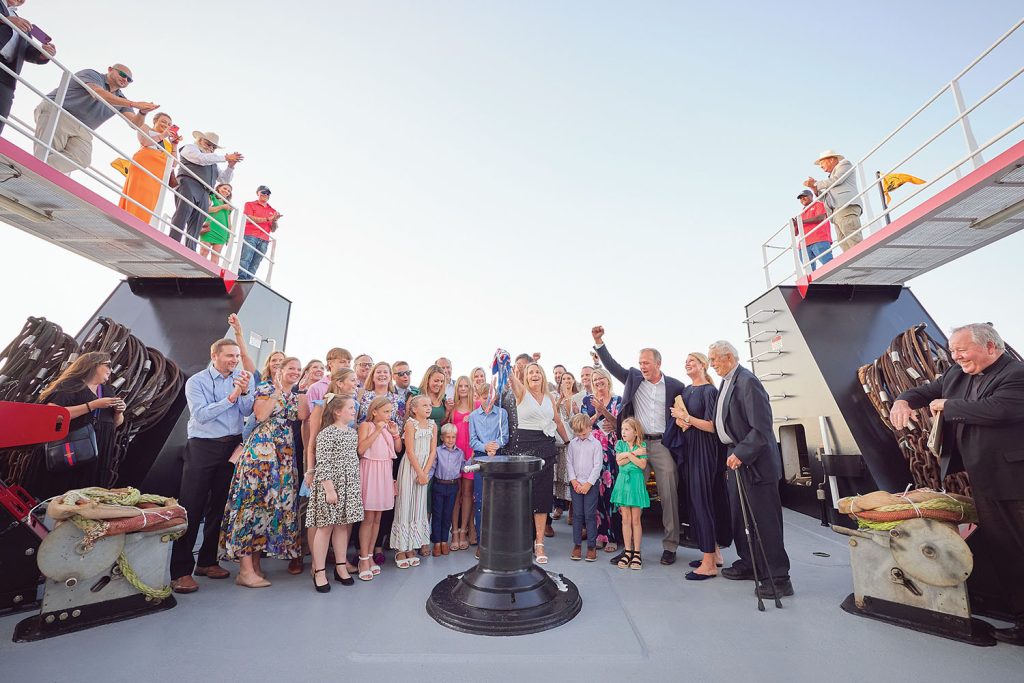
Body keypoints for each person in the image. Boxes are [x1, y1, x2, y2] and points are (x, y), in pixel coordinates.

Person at [890, 323, 1024, 644]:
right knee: (1004, 548)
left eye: (962, 350)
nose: (956, 356)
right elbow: (926, 390)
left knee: (1019, 547)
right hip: (984, 478)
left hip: (1015, 481)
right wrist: (903, 401)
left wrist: (949, 406)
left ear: (991, 347)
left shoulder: (1015, 374)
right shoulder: (956, 374)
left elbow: (998, 410)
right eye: (952, 351)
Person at [592, 325, 685, 566]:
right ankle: (632, 550)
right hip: (637, 445)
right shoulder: (633, 378)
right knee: (630, 497)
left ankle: (670, 545)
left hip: (662, 444)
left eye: (646, 363)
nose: (642, 366)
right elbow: (612, 366)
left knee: (668, 495)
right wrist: (599, 342)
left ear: (658, 363)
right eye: (640, 362)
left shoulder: (675, 386)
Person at [709, 340, 793, 599]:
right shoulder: (727, 382)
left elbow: (762, 428)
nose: (711, 365)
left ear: (729, 358)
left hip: (753, 463)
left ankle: (779, 578)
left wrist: (741, 454)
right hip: (735, 458)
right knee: (740, 517)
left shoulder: (747, 381)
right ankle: (750, 564)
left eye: (714, 360)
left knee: (764, 521)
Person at [170, 338, 254, 594]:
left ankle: (207, 562)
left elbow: (248, 411)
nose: (235, 360)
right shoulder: (197, 382)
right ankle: (180, 572)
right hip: (203, 446)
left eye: (237, 356)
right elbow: (201, 415)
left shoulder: (240, 378)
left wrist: (246, 392)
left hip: (231, 446)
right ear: (214, 355)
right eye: (230, 355)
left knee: (220, 505)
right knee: (191, 507)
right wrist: (232, 396)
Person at [220, 356, 302, 588]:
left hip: (283, 455)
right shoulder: (266, 387)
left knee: (266, 510)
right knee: (250, 505)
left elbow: (303, 417)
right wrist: (276, 390)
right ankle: (244, 571)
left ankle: (254, 566)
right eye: (290, 368)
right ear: (280, 370)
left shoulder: (294, 397)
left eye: (298, 369)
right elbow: (261, 415)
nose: (295, 372)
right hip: (261, 453)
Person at [33, 64, 157, 173]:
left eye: (129, 80)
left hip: (83, 128)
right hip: (60, 111)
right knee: (48, 151)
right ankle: (37, 171)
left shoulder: (121, 99)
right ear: (110, 69)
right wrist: (133, 103)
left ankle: (37, 170)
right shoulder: (92, 75)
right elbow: (97, 93)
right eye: (123, 74)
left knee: (82, 159)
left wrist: (142, 112)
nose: (125, 79)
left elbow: (134, 124)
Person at [672, 352, 731, 580]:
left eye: (692, 361)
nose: (687, 364)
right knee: (697, 503)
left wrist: (684, 418)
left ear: (703, 366)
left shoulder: (709, 391)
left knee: (702, 502)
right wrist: (679, 419)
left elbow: (712, 426)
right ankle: (713, 554)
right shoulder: (687, 391)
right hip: (689, 449)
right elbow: (682, 420)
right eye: (685, 361)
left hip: (704, 451)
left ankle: (708, 564)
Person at [34, 351, 125, 499]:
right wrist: (92, 405)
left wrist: (119, 412)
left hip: (96, 455)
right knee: (56, 492)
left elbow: (115, 424)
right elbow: (52, 415)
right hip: (68, 450)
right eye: (107, 365)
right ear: (93, 365)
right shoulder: (71, 385)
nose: (110, 369)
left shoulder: (108, 391)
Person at [508, 361, 568, 564]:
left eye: (538, 372)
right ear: (525, 377)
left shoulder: (550, 397)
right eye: (530, 372)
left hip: (546, 448)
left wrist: (568, 442)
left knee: (542, 497)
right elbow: (509, 376)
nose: (534, 374)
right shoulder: (521, 392)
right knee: (523, 497)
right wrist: (505, 362)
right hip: (524, 448)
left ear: (543, 376)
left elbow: (558, 422)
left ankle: (539, 543)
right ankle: (522, 541)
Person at [307, 394, 362, 592]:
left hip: (348, 486)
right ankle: (319, 571)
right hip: (331, 486)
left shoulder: (351, 433)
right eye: (350, 407)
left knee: (342, 526)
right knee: (325, 527)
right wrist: (329, 489)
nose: (353, 410)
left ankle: (340, 567)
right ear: (338, 412)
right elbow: (323, 463)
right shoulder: (327, 434)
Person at [170, 131, 242, 249]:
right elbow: (199, 159)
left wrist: (231, 166)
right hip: (188, 183)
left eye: (214, 147)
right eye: (208, 143)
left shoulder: (213, 162)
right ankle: (173, 242)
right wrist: (225, 157)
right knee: (182, 213)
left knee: (198, 221)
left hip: (204, 191)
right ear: (200, 140)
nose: (211, 148)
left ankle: (190, 249)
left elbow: (224, 179)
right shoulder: (190, 148)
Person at [356, 396, 400, 580]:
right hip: (370, 470)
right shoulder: (367, 425)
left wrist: (395, 433)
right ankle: (363, 558)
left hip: (384, 471)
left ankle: (371, 555)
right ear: (374, 411)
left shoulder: (389, 428)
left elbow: (397, 450)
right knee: (367, 518)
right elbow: (361, 449)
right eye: (386, 411)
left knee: (377, 518)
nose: (389, 415)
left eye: (391, 411)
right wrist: (378, 430)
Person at [580, 367, 622, 555]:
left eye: (601, 379)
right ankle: (599, 534)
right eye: (595, 379)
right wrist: (597, 413)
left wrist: (604, 410)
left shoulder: (617, 400)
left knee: (611, 493)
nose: (598, 382)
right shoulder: (586, 401)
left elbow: (619, 424)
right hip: (592, 451)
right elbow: (582, 426)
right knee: (594, 493)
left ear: (608, 380)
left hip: (611, 451)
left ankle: (613, 536)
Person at [0, 1, 56, 135]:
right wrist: (5, 20)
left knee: (2, 111)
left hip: (7, 75)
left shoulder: (22, 22)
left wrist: (43, 54)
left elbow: (27, 51)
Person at [392, 395, 435, 568]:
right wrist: (419, 471)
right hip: (410, 468)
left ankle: (412, 546)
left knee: (418, 507)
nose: (428, 408)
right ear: (414, 409)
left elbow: (432, 452)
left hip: (424, 470)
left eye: (430, 405)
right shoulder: (410, 425)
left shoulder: (433, 425)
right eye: (424, 405)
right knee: (405, 505)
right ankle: (400, 549)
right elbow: (409, 451)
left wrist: (425, 473)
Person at [116, 112, 181, 225]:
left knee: (150, 201)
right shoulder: (146, 127)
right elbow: (144, 141)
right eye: (163, 121)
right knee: (136, 195)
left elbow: (174, 163)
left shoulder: (167, 142)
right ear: (155, 121)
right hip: (143, 167)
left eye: (169, 124)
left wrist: (174, 144)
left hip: (158, 174)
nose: (166, 125)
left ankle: (142, 224)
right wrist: (163, 135)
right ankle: (128, 221)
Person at [468, 382, 508, 551]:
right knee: (481, 501)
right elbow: (472, 440)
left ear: (496, 397)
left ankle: (497, 540)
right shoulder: (473, 416)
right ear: (479, 398)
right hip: (481, 460)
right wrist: (485, 447)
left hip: (498, 458)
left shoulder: (502, 414)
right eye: (485, 398)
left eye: (491, 397)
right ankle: (482, 541)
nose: (488, 401)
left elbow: (504, 436)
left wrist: (494, 446)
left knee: (498, 501)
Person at [611, 417, 650, 570]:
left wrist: (627, 455)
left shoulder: (642, 445)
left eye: (627, 429)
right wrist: (633, 454)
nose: (624, 432)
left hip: (636, 484)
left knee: (636, 520)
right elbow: (619, 461)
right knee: (625, 519)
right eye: (622, 429)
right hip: (623, 484)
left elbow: (642, 464)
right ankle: (627, 551)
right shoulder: (620, 444)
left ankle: (637, 553)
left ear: (635, 432)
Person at [804, 149, 862, 250]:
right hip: (836, 213)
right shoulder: (829, 179)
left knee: (853, 240)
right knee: (844, 244)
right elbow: (824, 198)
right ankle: (857, 265)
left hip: (845, 207)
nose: (821, 166)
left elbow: (836, 180)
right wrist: (813, 188)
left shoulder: (845, 164)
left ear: (831, 160)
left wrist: (815, 184)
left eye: (821, 163)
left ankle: (864, 263)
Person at [566, 413, 602, 562]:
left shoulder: (596, 444)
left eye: (584, 433)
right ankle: (577, 545)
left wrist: (588, 484)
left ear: (589, 427)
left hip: (590, 485)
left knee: (590, 515)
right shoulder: (573, 444)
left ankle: (592, 547)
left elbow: (597, 465)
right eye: (578, 434)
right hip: (576, 485)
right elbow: (569, 463)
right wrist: (574, 481)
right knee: (577, 515)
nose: (581, 436)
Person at [449, 375, 475, 550]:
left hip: (470, 453)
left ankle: (465, 529)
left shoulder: (477, 406)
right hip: (454, 453)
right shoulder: (452, 408)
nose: (463, 388)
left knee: (467, 493)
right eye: (460, 386)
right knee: (455, 493)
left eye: (466, 386)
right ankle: (455, 531)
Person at [430, 423, 464, 557]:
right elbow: (432, 467)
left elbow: (463, 467)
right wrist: (425, 477)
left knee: (447, 514)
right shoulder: (438, 451)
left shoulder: (459, 453)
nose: (450, 440)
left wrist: (472, 460)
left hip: (452, 486)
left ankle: (445, 541)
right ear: (442, 438)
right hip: (439, 484)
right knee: (437, 514)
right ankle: (437, 542)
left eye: (453, 437)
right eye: (448, 437)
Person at [552, 371, 579, 523]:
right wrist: (559, 401)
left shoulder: (579, 397)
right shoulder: (556, 397)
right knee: (560, 477)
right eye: (564, 379)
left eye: (569, 378)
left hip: (575, 442)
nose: (566, 380)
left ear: (574, 380)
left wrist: (576, 411)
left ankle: (572, 512)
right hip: (560, 442)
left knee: (573, 477)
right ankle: (558, 507)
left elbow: (583, 418)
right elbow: (552, 415)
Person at [239, 185, 281, 279]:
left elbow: (273, 229)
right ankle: (241, 279)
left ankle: (248, 280)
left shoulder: (272, 210)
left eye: (267, 193)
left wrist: (274, 221)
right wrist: (268, 219)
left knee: (256, 263)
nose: (265, 194)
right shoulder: (249, 204)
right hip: (250, 235)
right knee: (245, 258)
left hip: (264, 239)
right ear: (257, 193)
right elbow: (249, 218)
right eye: (263, 192)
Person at [794, 189, 833, 271]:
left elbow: (821, 217)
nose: (802, 199)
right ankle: (813, 284)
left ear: (811, 196)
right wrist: (794, 224)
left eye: (805, 196)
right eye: (800, 198)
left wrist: (801, 221)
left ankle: (836, 281)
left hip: (819, 239)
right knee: (809, 271)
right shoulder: (800, 214)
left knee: (828, 264)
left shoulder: (818, 204)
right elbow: (795, 233)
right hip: (803, 244)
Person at [199, 183, 233, 264]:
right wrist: (222, 207)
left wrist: (228, 236)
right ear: (218, 188)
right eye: (224, 188)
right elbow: (207, 209)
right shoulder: (211, 196)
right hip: (210, 228)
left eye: (229, 191)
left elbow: (229, 222)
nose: (226, 191)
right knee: (204, 250)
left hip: (222, 232)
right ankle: (198, 272)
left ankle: (211, 276)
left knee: (216, 255)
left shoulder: (228, 204)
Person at [417, 364, 449, 436]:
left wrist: (448, 411)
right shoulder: (417, 395)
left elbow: (443, 422)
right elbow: (408, 420)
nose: (439, 384)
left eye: (442, 381)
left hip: (439, 440)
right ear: (428, 379)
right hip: (422, 438)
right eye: (436, 381)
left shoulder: (442, 398)